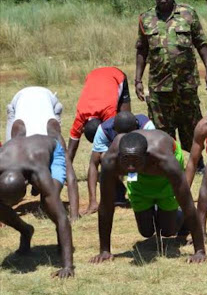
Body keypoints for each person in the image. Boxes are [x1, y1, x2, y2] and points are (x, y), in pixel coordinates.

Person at [89, 130, 206, 264]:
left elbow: (187, 202)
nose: (130, 167)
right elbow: (106, 205)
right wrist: (104, 250)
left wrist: (199, 251)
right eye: (126, 160)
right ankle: (156, 208)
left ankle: (180, 219)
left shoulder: (166, 161)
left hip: (163, 171)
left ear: (146, 155)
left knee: (167, 231)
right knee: (146, 231)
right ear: (119, 156)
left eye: (135, 161)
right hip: (142, 173)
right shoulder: (111, 161)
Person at [135, 0, 207, 158]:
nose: (163, 1)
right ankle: (169, 161)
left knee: (192, 123)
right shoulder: (145, 18)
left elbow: (201, 43)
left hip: (186, 83)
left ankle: (197, 161)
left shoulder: (188, 13)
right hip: (159, 85)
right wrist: (138, 80)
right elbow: (141, 50)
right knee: (162, 127)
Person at [0, 135, 74, 278]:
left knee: (49, 204)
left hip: (51, 152)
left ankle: (62, 245)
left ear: (27, 182)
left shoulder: (38, 171)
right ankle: (26, 231)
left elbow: (62, 217)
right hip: (21, 152)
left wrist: (67, 266)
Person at [5, 86, 79, 220]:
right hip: (19, 98)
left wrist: (74, 215)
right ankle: (36, 184)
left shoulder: (55, 136)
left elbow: (71, 177)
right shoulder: (15, 143)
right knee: (10, 171)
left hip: (50, 99)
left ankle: (38, 186)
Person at [86, 111, 155, 215]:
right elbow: (93, 163)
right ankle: (118, 191)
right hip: (119, 156)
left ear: (136, 126)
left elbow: (155, 155)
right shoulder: (104, 130)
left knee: (149, 156)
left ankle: (147, 192)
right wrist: (93, 201)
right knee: (104, 158)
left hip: (142, 158)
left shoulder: (147, 126)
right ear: (114, 129)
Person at [68, 66, 131, 164]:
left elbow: (114, 139)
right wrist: (66, 172)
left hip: (116, 75)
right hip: (93, 75)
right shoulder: (80, 117)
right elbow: (71, 147)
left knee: (126, 124)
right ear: (83, 128)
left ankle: (129, 162)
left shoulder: (109, 114)